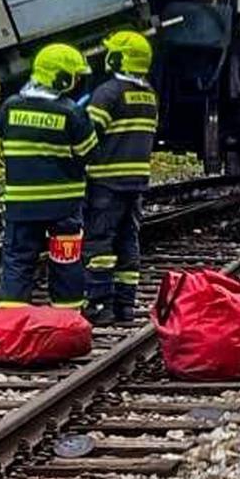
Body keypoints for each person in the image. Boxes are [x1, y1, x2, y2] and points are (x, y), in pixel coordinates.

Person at [0, 44, 96, 309]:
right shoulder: (72, 112)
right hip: (63, 207)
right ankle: (68, 316)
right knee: (66, 262)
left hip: (20, 206)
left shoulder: (10, 107)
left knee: (17, 262)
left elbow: (2, 135)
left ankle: (10, 319)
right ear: (61, 78)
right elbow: (89, 153)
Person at [80, 31, 159, 324]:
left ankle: (100, 304)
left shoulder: (108, 93)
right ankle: (125, 304)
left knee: (99, 242)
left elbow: (88, 134)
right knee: (128, 241)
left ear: (119, 59)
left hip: (105, 182)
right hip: (136, 182)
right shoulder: (149, 95)